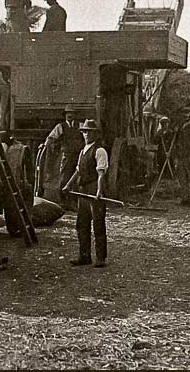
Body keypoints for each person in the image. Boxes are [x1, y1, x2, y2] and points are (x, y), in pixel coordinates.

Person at [61, 119, 111, 268]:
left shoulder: (99, 150)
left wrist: (99, 192)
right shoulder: (83, 151)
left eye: (89, 132)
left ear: (95, 134)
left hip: (94, 189)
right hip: (83, 191)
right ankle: (84, 256)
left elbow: (101, 174)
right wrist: (68, 185)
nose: (86, 134)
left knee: (98, 224)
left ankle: (100, 258)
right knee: (81, 224)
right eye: (84, 132)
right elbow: (77, 171)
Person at [43, 105, 84, 207]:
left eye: (72, 113)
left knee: (77, 178)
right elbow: (51, 138)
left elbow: (87, 135)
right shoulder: (60, 126)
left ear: (74, 115)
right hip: (66, 155)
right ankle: (63, 202)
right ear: (65, 115)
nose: (69, 115)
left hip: (78, 154)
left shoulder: (80, 125)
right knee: (64, 177)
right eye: (67, 113)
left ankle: (74, 202)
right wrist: (44, 145)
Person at [172, 106, 190, 207]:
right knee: (182, 178)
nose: (185, 115)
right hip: (181, 156)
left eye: (187, 113)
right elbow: (176, 142)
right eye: (184, 113)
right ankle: (185, 198)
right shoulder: (179, 128)